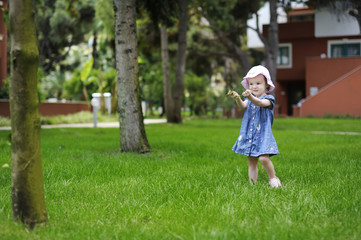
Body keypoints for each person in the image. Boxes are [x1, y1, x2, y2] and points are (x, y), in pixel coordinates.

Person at [228, 65, 282, 188]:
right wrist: (237, 98)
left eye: (258, 83)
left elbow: (259, 102)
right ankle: (253, 185)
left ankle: (273, 178)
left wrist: (250, 96)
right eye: (251, 84)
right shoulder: (249, 99)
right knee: (252, 160)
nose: (254, 86)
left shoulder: (269, 99)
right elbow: (242, 106)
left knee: (263, 158)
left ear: (266, 85)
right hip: (250, 134)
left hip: (263, 135)